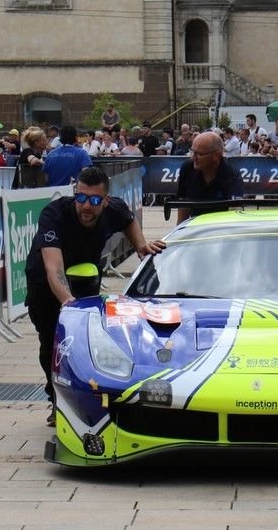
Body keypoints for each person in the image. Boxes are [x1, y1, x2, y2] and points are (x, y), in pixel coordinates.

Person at [24, 166, 165, 425]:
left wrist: (140, 245)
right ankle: (57, 402)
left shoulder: (115, 209)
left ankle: (89, 397)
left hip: (86, 279)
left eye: (95, 200)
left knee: (87, 341)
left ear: (106, 201)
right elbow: (53, 269)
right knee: (52, 344)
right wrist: (67, 302)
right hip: (46, 285)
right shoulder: (54, 214)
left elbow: (129, 220)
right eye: (81, 198)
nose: (86, 206)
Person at [175, 130, 244, 224]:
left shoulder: (231, 175)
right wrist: (179, 232)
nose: (194, 157)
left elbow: (235, 212)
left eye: (199, 154)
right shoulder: (187, 168)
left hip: (221, 226)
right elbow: (183, 203)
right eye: (192, 152)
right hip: (194, 225)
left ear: (216, 155)